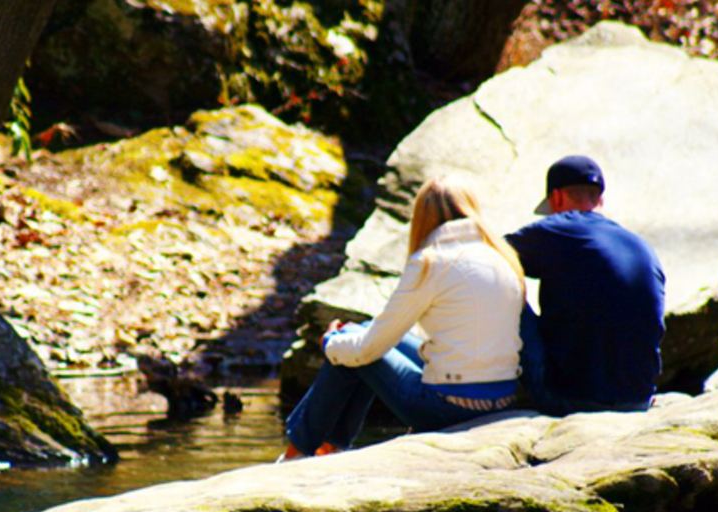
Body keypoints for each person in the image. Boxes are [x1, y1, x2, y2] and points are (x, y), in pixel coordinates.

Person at [279, 174, 526, 461]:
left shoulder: (431, 261)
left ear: (422, 217)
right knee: (360, 332)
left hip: (450, 408)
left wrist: (330, 343)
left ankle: (297, 453)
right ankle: (329, 447)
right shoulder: (502, 257)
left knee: (348, 345)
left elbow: (367, 349)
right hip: (502, 399)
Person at [506, 155, 665, 416]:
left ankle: (472, 389)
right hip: (638, 399)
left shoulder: (557, 228)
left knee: (502, 286)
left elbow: (488, 257)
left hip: (569, 399)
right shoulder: (639, 245)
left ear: (556, 198)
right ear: (600, 200)